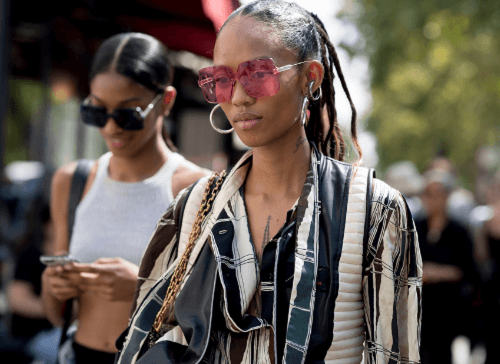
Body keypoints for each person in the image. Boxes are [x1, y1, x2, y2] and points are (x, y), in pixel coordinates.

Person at [115, 2, 422, 364]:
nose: (241, 96)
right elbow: (152, 332)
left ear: (312, 77)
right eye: (223, 79)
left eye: (258, 74)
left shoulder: (373, 209)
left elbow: (394, 353)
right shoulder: (195, 205)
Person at [41, 32, 210, 364]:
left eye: (128, 114)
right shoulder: (72, 182)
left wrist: (144, 287)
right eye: (96, 112)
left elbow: (210, 313)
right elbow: (56, 315)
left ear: (166, 100)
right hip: (76, 354)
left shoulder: (196, 189)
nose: (110, 128)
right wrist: (53, 287)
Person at [415, 170, 477, 364]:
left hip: (447, 309)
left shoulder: (458, 231)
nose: (429, 199)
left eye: (434, 194)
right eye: (426, 194)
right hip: (418, 309)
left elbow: (468, 270)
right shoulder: (415, 227)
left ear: (446, 196)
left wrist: (438, 272)